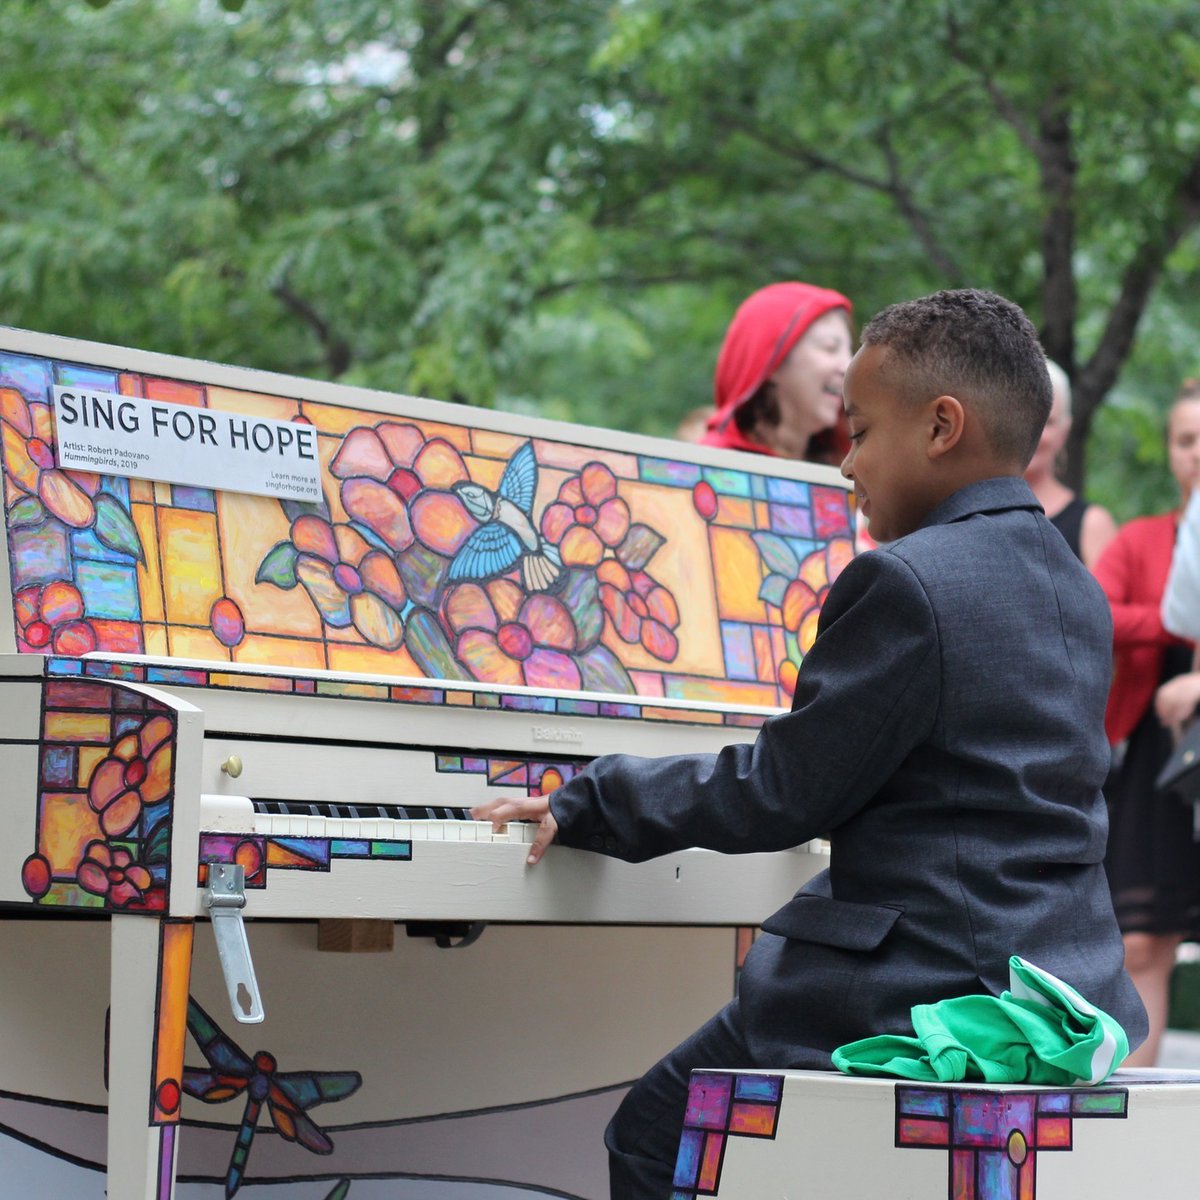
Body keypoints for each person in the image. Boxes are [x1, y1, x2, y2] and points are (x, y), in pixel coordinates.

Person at [475, 288, 1145, 1199]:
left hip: (932, 997)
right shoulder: (1075, 584)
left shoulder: (905, 581)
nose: (846, 466)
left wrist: (591, 798)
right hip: (1060, 982)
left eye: (861, 433)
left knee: (650, 1134)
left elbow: (781, 790)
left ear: (942, 426)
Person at [1095, 379, 1200, 1066]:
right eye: (1187, 440)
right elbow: (1092, 612)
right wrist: (1164, 622)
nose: (1198, 454)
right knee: (1140, 942)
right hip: (1156, 766)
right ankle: (1136, 1123)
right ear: (1168, 452)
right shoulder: (1139, 540)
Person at [700, 281, 854, 463]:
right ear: (773, 362)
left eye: (851, 352)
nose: (849, 366)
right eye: (830, 347)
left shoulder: (854, 473)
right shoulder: (710, 467)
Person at [1022, 359, 1117, 566]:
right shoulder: (966, 513)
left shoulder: (1092, 525)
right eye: (1023, 417)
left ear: (1064, 432)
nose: (1033, 433)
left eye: (1047, 422)